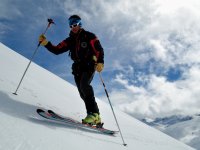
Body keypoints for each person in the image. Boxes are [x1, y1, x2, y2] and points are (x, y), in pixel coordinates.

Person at [38, 15, 104, 126]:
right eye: (71, 25)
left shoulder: (89, 36)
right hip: (77, 68)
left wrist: (101, 62)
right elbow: (57, 50)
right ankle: (95, 116)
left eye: (75, 24)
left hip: (89, 64)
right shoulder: (70, 40)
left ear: (80, 24)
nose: (73, 27)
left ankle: (93, 114)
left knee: (85, 85)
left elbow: (99, 49)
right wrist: (46, 43)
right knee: (82, 93)